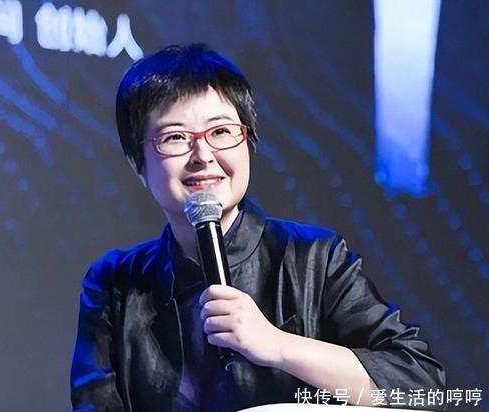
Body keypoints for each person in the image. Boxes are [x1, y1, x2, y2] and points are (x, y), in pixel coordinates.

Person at [70, 44, 446, 411]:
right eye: (175, 138)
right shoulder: (115, 284)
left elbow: (421, 383)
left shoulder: (316, 259)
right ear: (137, 164)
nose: (203, 155)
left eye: (221, 132)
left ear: (247, 141)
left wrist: (277, 344)